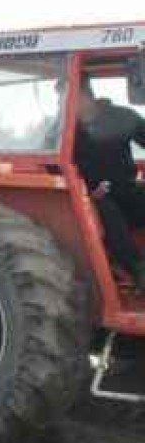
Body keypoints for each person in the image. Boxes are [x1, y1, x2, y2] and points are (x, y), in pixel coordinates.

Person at [74, 84, 145, 290]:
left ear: (85, 96)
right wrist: (88, 190)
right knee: (107, 209)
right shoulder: (65, 129)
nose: (63, 103)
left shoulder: (121, 117)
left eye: (68, 96)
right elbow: (54, 167)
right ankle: (138, 269)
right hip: (91, 198)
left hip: (126, 188)